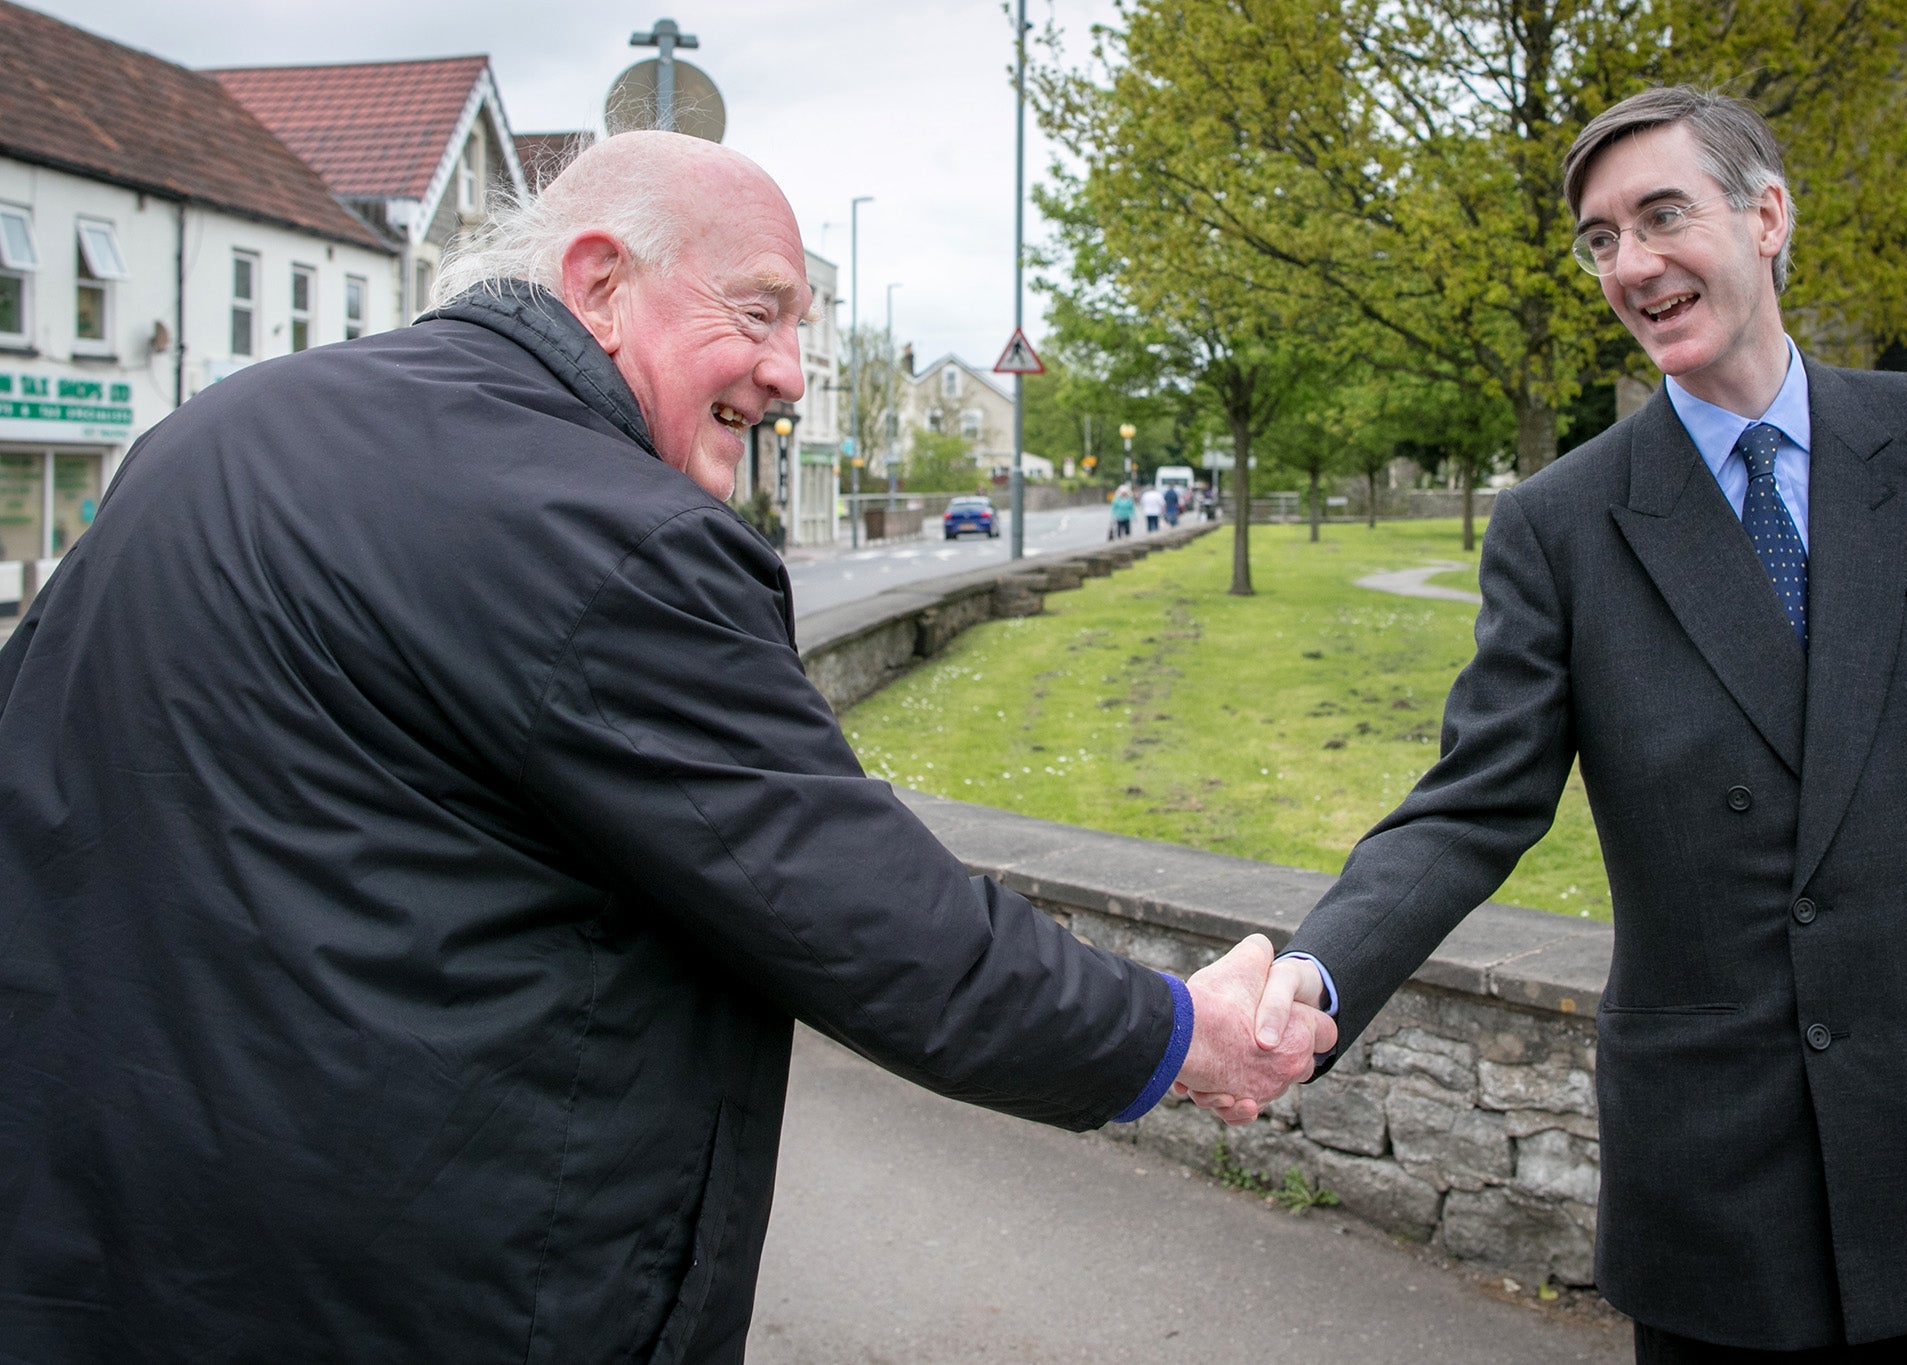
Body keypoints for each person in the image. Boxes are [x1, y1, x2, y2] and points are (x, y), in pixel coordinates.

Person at [0, 132, 1331, 1363]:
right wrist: (1179, 1034)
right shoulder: (606, 532)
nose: (793, 372)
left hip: (99, 1258)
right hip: (431, 1293)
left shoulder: (202, 442)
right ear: (601, 282)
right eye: (759, 311)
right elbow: (870, 920)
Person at [1220, 86, 1907, 1358]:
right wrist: (1314, 974)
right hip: (1730, 1161)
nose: (1630, 264)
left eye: (1661, 216)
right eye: (1599, 238)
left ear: (1766, 216)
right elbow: (1472, 803)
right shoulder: (1562, 523)